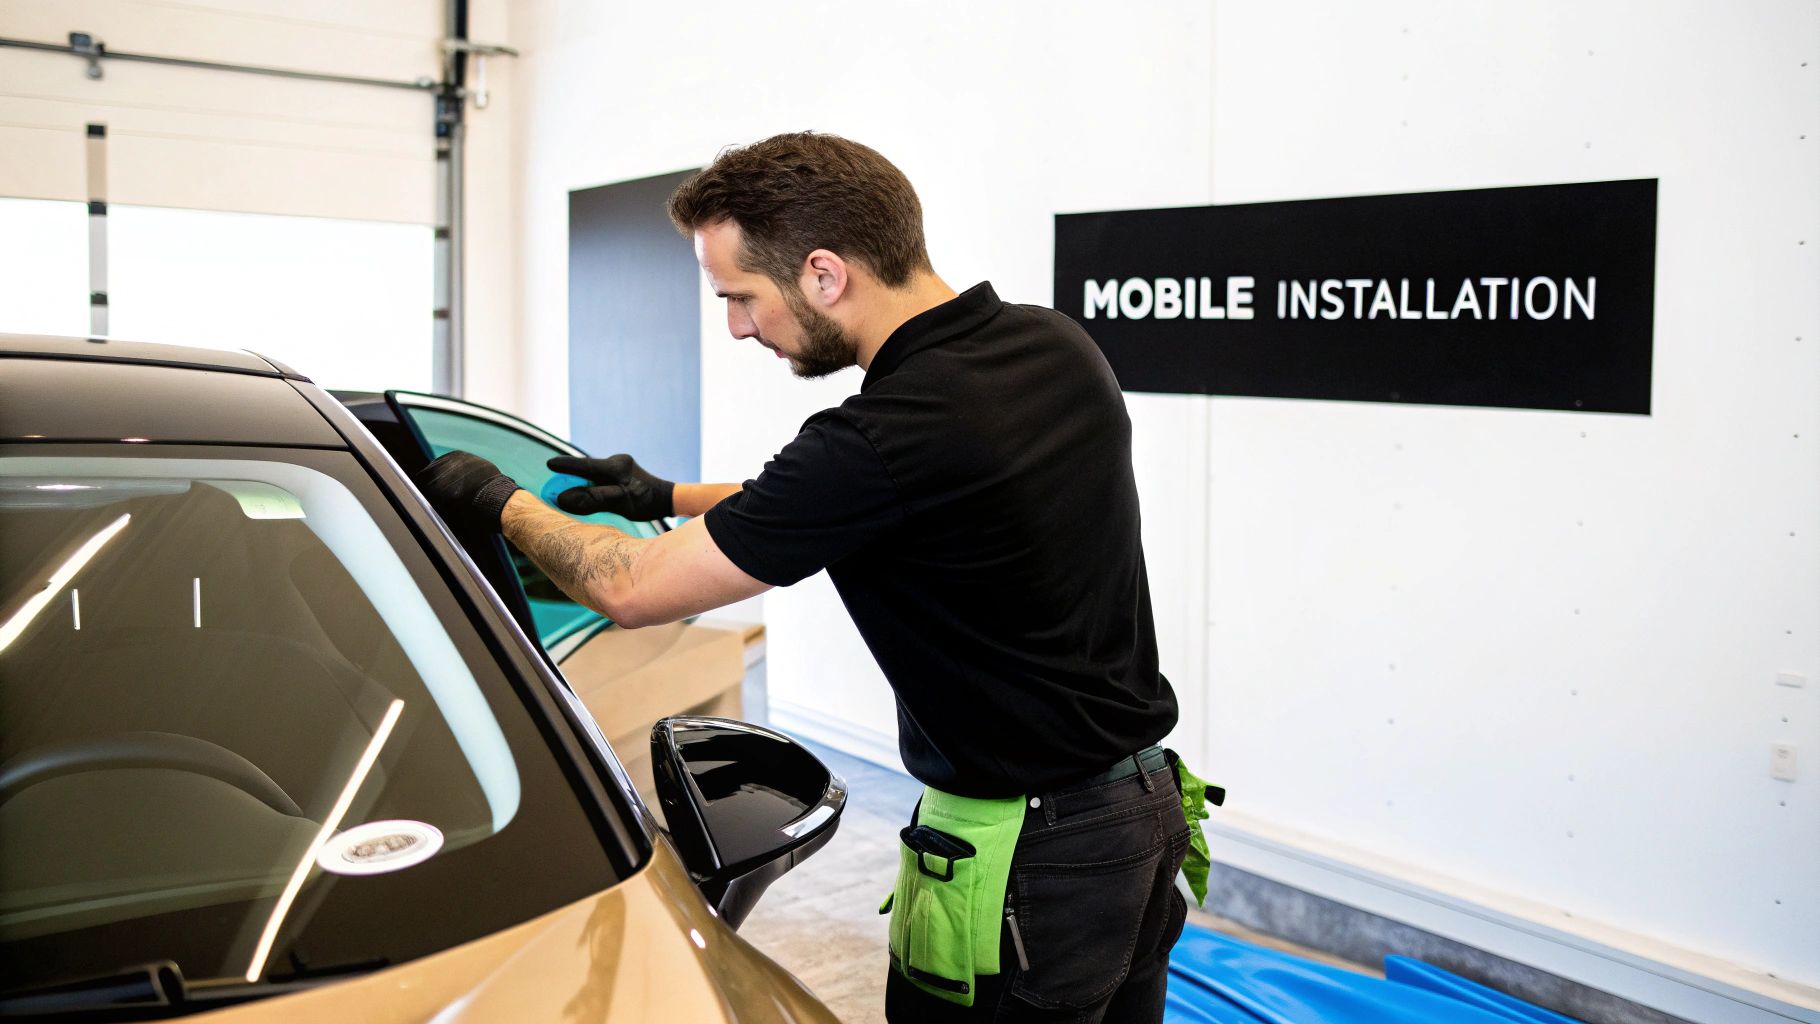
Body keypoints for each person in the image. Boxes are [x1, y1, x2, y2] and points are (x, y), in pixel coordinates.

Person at [416, 131, 1205, 1023]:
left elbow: (629, 588)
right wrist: (663, 493)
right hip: (1140, 821)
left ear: (825, 274)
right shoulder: (1050, 347)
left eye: (742, 296)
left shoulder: (880, 434)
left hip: (1029, 859)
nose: (739, 327)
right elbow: (871, 497)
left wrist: (495, 497)